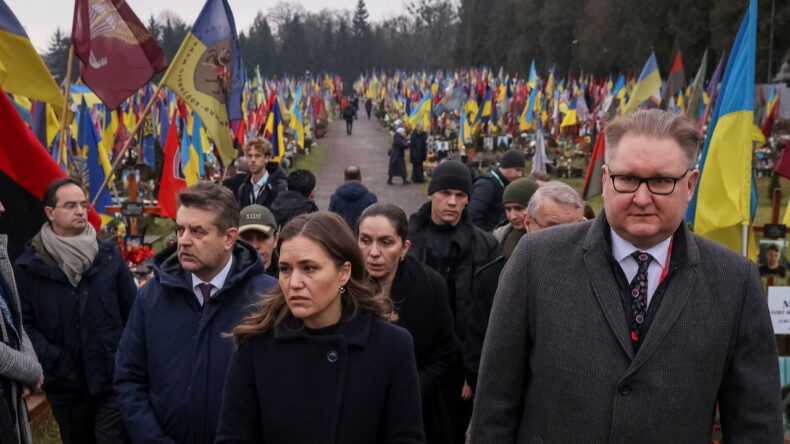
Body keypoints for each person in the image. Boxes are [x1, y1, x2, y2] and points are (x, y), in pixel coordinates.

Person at [470, 109, 783, 442]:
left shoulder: (735, 282)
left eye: (662, 180)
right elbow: (494, 407)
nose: (642, 198)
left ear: (690, 184)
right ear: (605, 180)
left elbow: (756, 426)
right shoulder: (536, 260)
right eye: (628, 179)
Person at [215, 212, 425, 443]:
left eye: (309, 268)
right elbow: (233, 437)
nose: (294, 283)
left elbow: (405, 438)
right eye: (285, 269)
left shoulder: (391, 345)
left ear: (344, 273)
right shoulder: (255, 344)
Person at [114, 182, 277, 444]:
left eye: (197, 231)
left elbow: (281, 392)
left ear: (229, 237)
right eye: (180, 229)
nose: (184, 241)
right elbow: (129, 378)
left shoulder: (268, 299)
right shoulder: (151, 296)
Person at [15, 178, 136, 444]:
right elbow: (25, 324)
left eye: (83, 204)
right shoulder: (30, 267)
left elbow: (133, 312)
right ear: (50, 213)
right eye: (70, 206)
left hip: (110, 379)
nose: (80, 211)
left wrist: (125, 358)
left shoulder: (108, 257)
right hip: (65, 384)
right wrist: (54, 359)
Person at [408, 160, 497, 444]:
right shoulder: (408, 239)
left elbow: (486, 314)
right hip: (415, 356)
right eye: (445, 193)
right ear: (430, 193)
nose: (452, 202)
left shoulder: (485, 245)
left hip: (459, 363)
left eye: (460, 196)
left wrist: (474, 373)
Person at [465, 182, 585, 391]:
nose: (568, 238)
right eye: (554, 228)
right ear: (529, 224)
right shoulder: (493, 280)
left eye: (577, 228)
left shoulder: (598, 279)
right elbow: (479, 361)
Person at [358, 203, 459, 444]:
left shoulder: (429, 286)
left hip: (416, 409)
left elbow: (445, 352)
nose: (373, 252)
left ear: (404, 248)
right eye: (365, 240)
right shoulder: (341, 285)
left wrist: (410, 390)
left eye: (385, 242)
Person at [0, 199, 43, 444]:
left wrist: (27, 368)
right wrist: (31, 371)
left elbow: (15, 322)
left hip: (10, 401)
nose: (3, 208)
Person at [468, 149, 525, 231]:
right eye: (517, 170)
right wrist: (488, 238)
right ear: (506, 166)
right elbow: (473, 215)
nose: (520, 175)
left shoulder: (499, 184)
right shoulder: (486, 185)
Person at [492, 178, 539, 258]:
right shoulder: (500, 237)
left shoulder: (550, 237)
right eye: (508, 209)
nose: (512, 216)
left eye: (519, 208)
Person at [235, 138, 281, 208]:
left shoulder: (277, 187)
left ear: (266, 158)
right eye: (250, 156)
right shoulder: (243, 188)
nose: (253, 160)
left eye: (257, 156)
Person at [329, 165, 378, 230]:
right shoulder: (371, 198)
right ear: (360, 178)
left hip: (342, 236)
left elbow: (331, 220)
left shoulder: (335, 198)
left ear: (345, 178)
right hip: (363, 236)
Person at [238, 205, 279, 277]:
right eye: (247, 238)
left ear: (276, 239)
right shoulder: (223, 279)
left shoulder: (287, 280)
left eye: (263, 237)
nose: (254, 246)